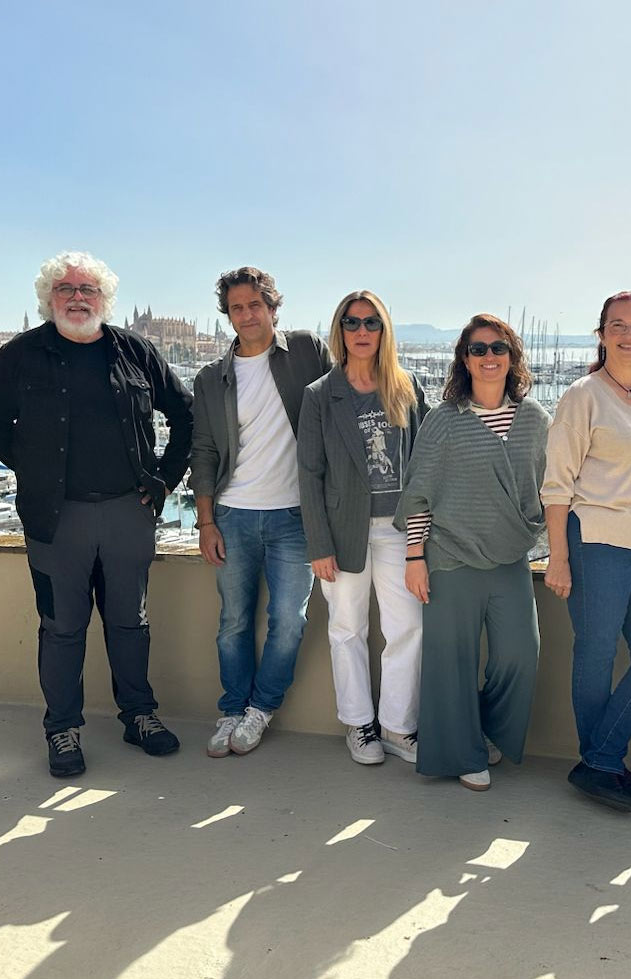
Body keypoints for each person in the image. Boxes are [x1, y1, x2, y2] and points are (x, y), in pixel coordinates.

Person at [0, 251, 193, 777]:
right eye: (66, 288)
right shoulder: (20, 354)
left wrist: (165, 479)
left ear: (104, 298)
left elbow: (185, 414)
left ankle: (139, 715)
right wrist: (38, 471)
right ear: (48, 298)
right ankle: (62, 729)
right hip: (55, 519)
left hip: (128, 512)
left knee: (130, 622)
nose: (77, 297)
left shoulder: (135, 351)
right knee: (61, 627)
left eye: (87, 289)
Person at [396, 314, 549, 791]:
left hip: (509, 558)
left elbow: (552, 486)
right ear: (464, 359)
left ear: (512, 356)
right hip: (450, 557)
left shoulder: (535, 420)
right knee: (451, 662)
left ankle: (482, 730)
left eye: (498, 348)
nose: (488, 357)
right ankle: (462, 754)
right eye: (478, 349)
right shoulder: (444, 420)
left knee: (520, 655)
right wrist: (414, 557)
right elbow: (420, 493)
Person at [542, 292, 631, 812]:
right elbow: (557, 485)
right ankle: (602, 763)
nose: (628, 334)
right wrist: (558, 557)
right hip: (596, 540)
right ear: (601, 334)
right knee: (596, 654)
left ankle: (601, 758)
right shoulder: (583, 396)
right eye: (617, 325)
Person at [189, 266, 332, 758]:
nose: (247, 315)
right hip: (234, 516)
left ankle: (260, 709)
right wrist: (206, 521)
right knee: (233, 621)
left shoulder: (308, 351)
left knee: (289, 620)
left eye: (255, 304)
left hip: (295, 517)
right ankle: (232, 709)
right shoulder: (211, 378)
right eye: (237, 308)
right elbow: (204, 451)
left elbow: (346, 400)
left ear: (273, 307)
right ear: (227, 315)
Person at [298, 290, 429, 765]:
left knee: (408, 627)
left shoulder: (406, 386)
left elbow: (426, 461)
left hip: (398, 528)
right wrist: (319, 544)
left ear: (384, 330)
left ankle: (397, 726)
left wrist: (423, 536)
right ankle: (359, 724)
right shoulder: (320, 395)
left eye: (372, 322)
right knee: (347, 627)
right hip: (342, 530)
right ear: (340, 330)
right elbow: (309, 474)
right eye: (352, 323)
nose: (362, 331)